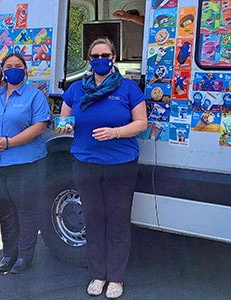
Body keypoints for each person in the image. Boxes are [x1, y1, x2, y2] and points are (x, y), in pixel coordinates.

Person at [58, 37, 147, 298]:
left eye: (104, 55)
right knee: (93, 220)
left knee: (118, 221)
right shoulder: (76, 90)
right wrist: (63, 125)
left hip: (121, 165)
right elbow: (64, 122)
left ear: (113, 57)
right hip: (86, 164)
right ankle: (98, 275)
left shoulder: (128, 88)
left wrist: (116, 132)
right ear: (89, 59)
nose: (100, 60)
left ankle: (116, 278)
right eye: (94, 56)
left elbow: (141, 123)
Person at [0, 54, 51, 274]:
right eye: (9, 66)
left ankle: (25, 257)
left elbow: (39, 126)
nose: (13, 69)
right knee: (5, 210)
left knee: (26, 210)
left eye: (18, 66)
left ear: (26, 71)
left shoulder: (34, 96)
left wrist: (10, 142)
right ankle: (9, 254)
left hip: (25, 164)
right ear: (2, 71)